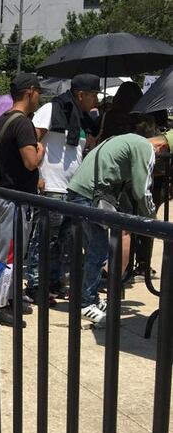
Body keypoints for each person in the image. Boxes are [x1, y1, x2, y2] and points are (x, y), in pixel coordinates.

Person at [66, 130, 171, 326]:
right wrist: (154, 223)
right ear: (162, 148)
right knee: (98, 251)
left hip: (80, 191)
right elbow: (143, 191)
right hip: (89, 195)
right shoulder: (146, 149)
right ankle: (85, 303)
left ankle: (91, 298)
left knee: (93, 252)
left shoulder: (129, 139)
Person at [25, 73, 101, 301]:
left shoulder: (82, 118)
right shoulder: (51, 110)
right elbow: (31, 140)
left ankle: (55, 282)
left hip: (73, 190)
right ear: (80, 94)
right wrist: (36, 174)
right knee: (44, 240)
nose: (95, 100)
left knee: (66, 243)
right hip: (51, 187)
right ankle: (36, 285)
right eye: (93, 95)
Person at [0, 73, 45, 327]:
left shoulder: (2, 121)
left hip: (2, 196)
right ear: (30, 92)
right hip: (15, 200)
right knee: (9, 253)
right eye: (38, 93)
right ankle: (0, 305)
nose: (39, 98)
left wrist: (6, 167)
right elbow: (30, 162)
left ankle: (10, 297)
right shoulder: (23, 124)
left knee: (8, 250)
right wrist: (40, 151)